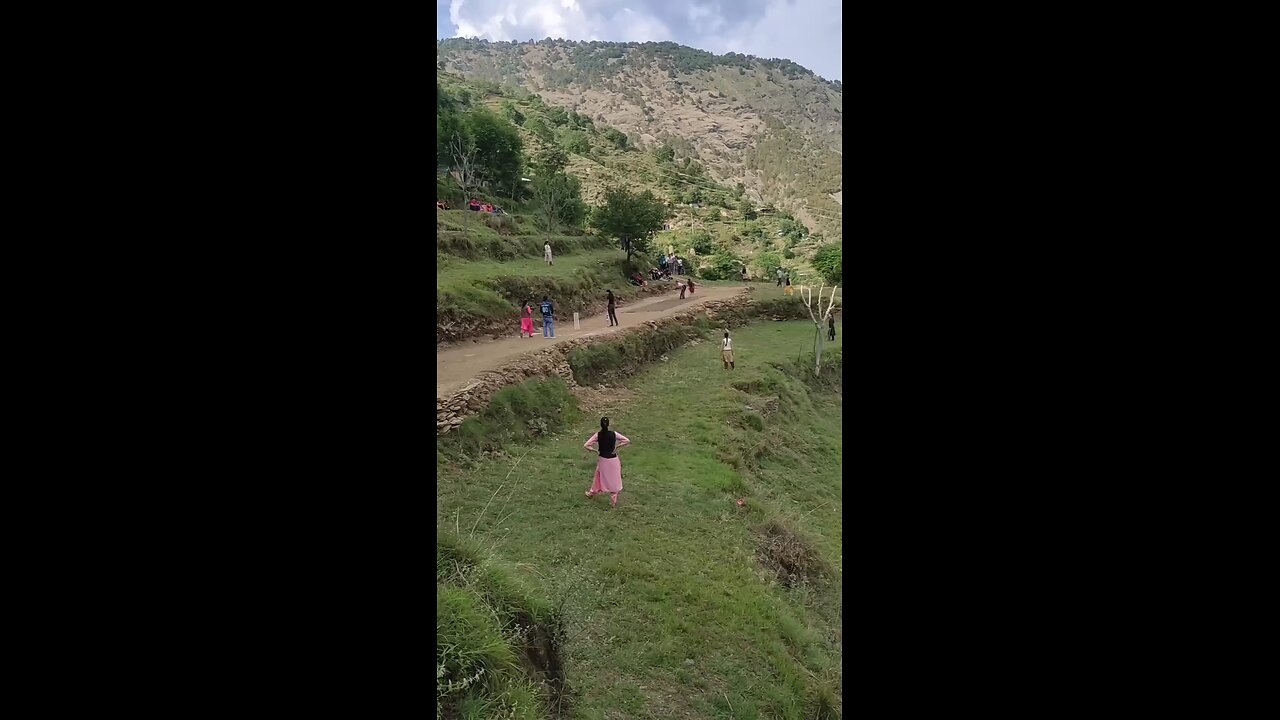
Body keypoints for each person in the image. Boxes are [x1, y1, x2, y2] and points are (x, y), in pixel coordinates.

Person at [583, 416, 629, 508]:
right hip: (614, 460)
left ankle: (592, 492)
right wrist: (617, 447)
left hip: (603, 460)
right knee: (614, 479)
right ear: (608, 424)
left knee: (598, 476)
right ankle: (613, 501)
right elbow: (626, 440)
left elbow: (586, 445)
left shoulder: (598, 435)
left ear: (600, 425)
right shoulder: (614, 434)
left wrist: (595, 451)